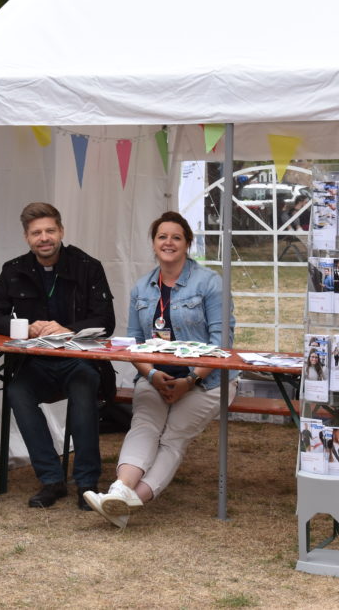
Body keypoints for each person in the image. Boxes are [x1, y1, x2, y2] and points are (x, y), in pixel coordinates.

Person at [83, 211, 234, 529]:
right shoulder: (142, 288)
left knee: (172, 436)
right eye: (162, 236)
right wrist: (151, 375)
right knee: (144, 426)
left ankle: (127, 502)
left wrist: (190, 380)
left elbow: (221, 344)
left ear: (187, 244)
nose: (169, 242)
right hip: (155, 377)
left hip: (207, 380)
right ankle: (120, 490)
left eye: (176, 237)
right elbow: (134, 345)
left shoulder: (210, 283)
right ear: (153, 243)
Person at [0, 202, 115, 510]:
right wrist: (25, 328)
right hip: (36, 363)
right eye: (36, 233)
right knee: (17, 392)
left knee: (83, 387)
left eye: (50, 231)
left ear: (61, 231)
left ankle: (86, 483)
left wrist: (68, 328)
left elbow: (106, 321)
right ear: (26, 237)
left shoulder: (88, 266)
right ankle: (51, 479)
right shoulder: (14, 270)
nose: (44, 238)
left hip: (79, 360)